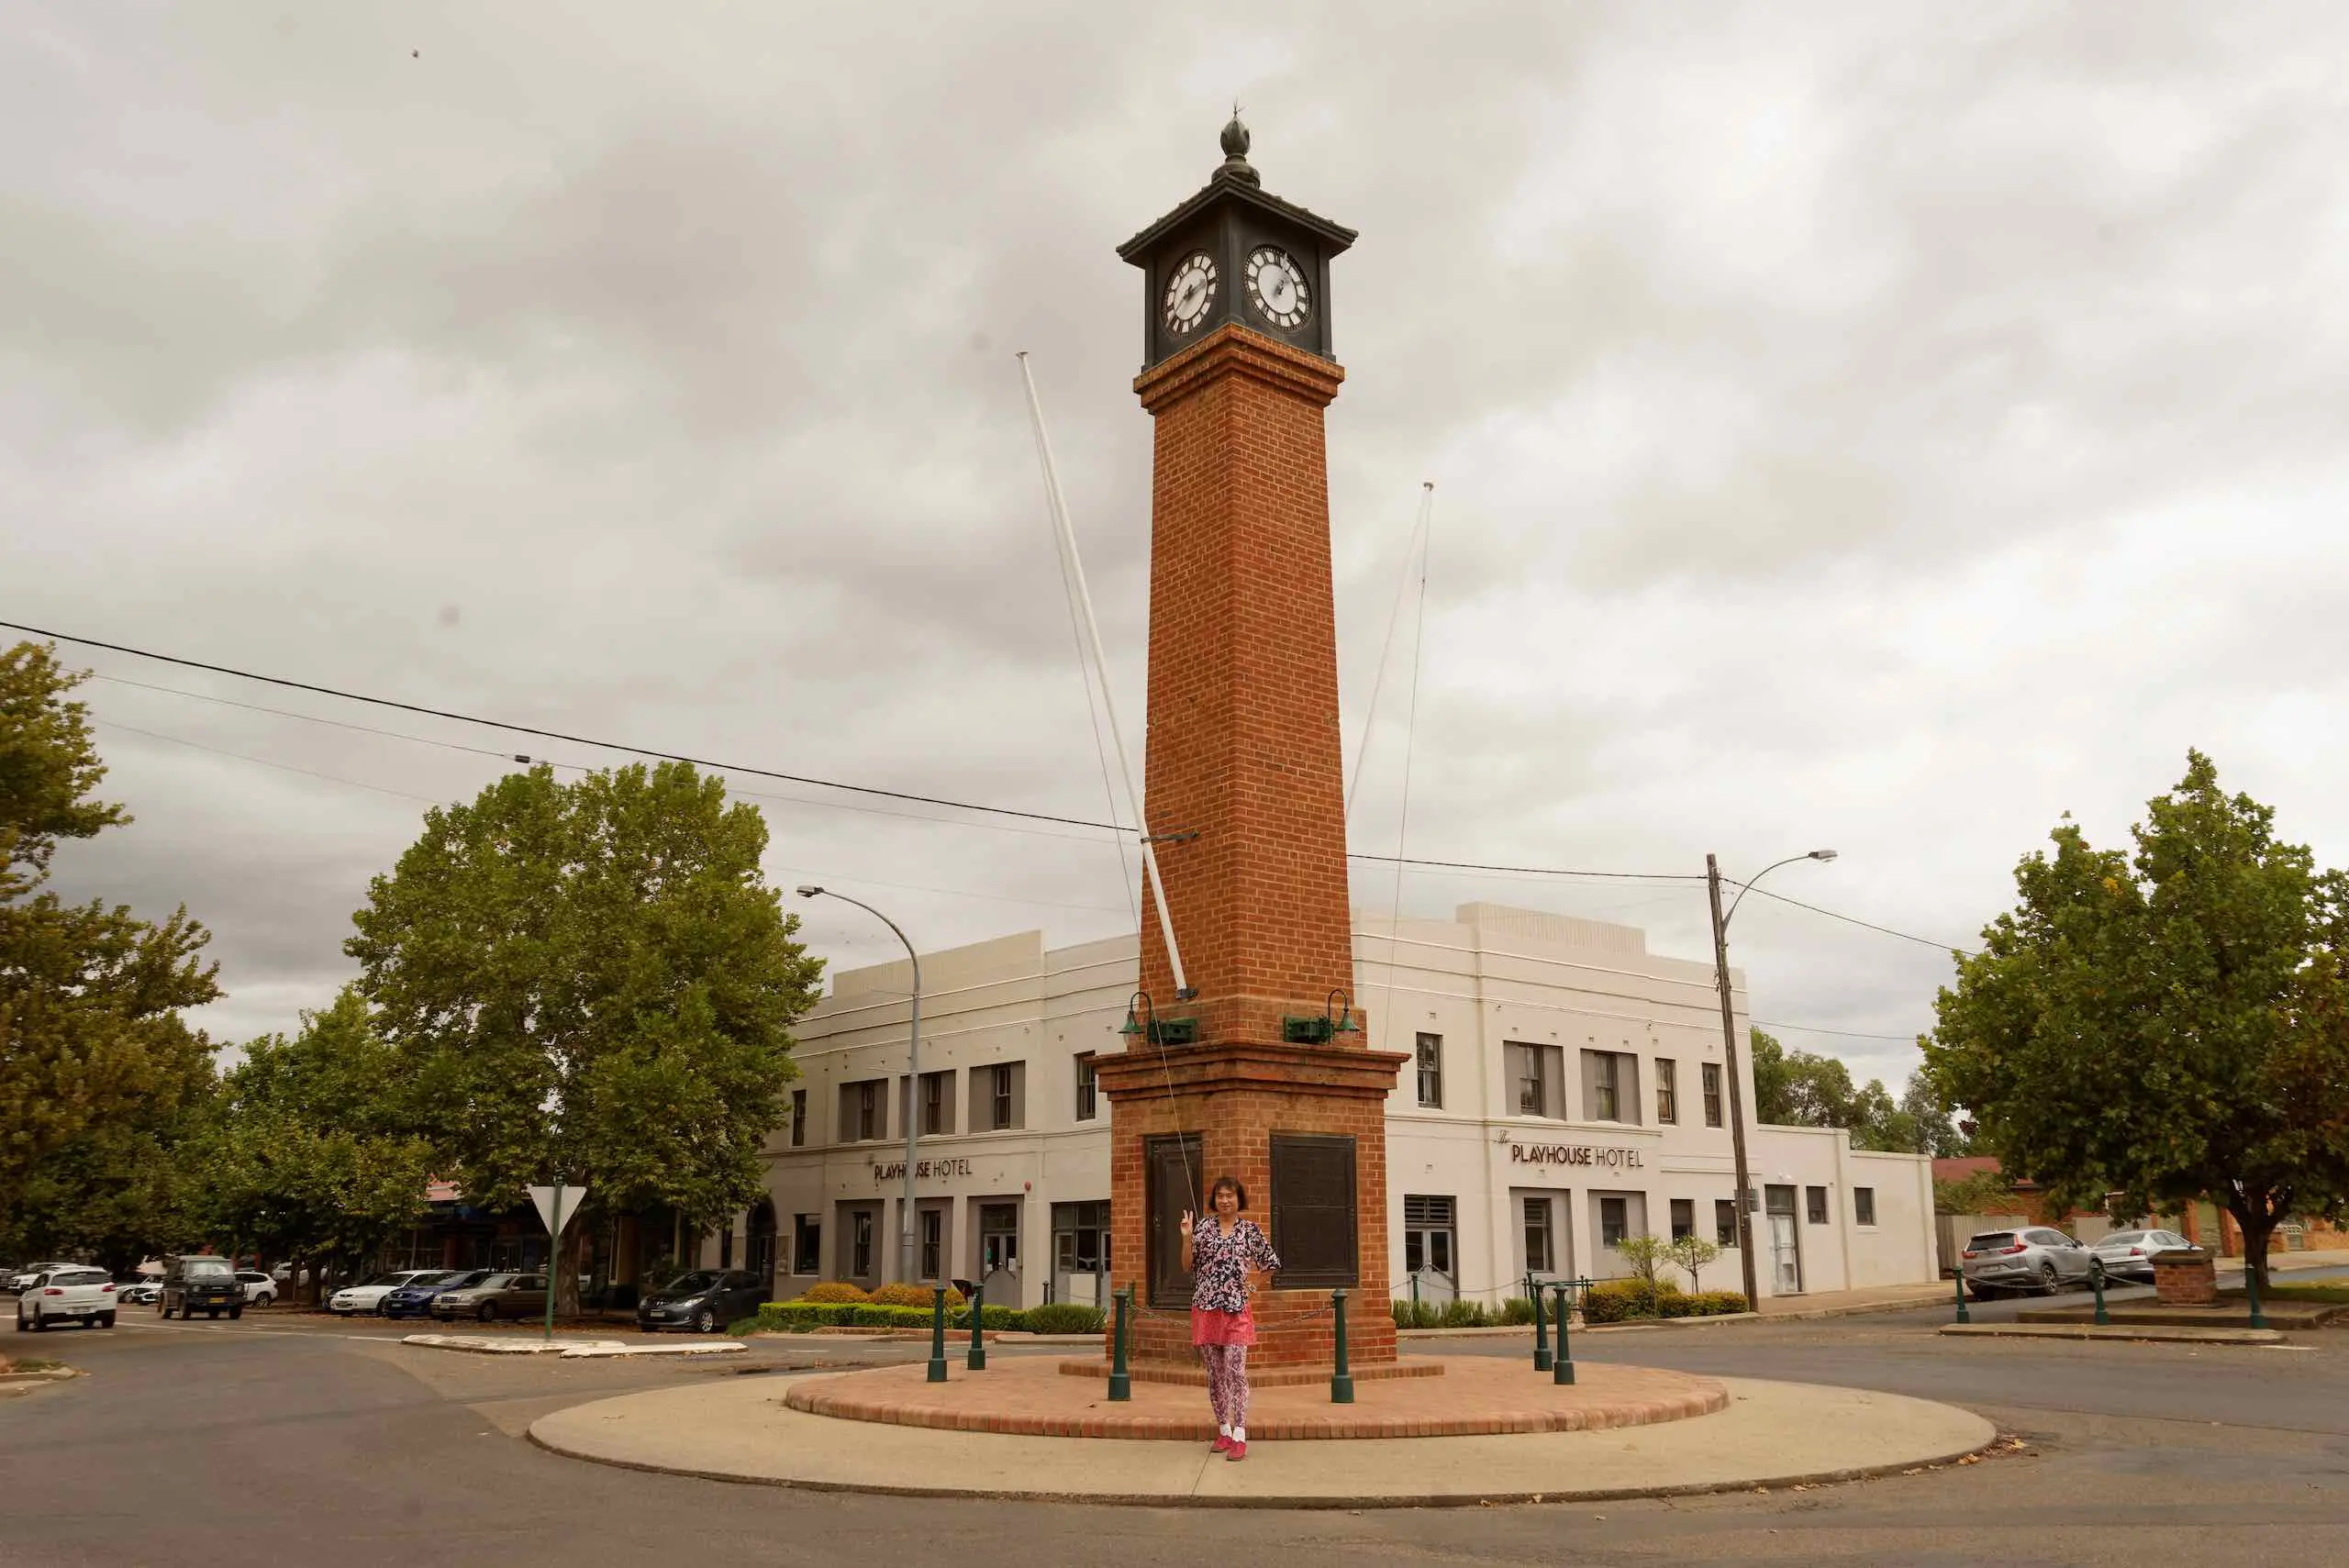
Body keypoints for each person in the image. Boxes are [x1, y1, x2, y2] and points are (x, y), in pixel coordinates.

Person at [1182, 1174, 1280, 1460]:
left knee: (1236, 1373)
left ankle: (1240, 1433)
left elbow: (1270, 1264)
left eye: (1230, 1195)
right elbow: (1187, 1265)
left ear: (1239, 1200)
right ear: (1214, 1200)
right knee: (1215, 1375)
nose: (1225, 1200)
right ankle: (1223, 1429)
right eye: (1220, 1196)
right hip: (1206, 1308)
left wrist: (1253, 1286)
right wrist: (1187, 1238)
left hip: (1236, 1310)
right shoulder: (1203, 1229)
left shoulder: (1249, 1231)